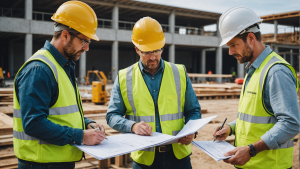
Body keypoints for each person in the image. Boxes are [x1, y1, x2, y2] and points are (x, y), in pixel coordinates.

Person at [13, 1, 106, 169]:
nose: (86, 48)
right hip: (41, 164)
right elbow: (34, 123)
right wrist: (81, 136)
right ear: (65, 35)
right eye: (84, 41)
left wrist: (85, 123)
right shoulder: (39, 69)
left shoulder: (62, 66)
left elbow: (60, 113)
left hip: (56, 161)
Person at [106, 17, 201, 169]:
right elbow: (112, 116)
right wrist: (133, 126)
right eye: (147, 52)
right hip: (144, 159)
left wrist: (192, 132)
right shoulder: (124, 77)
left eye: (157, 50)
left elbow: (193, 110)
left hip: (179, 157)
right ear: (137, 49)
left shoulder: (179, 72)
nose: (153, 57)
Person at [212, 6, 299, 169]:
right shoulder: (255, 70)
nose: (230, 52)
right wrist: (230, 128)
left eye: (233, 45)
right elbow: (254, 118)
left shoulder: (276, 71)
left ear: (250, 38)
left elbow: (291, 123)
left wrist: (251, 150)